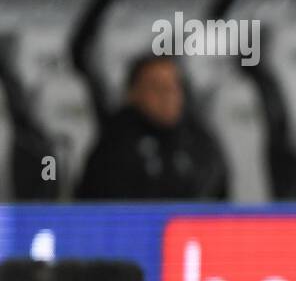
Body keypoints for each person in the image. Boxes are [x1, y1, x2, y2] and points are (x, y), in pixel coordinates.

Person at [77, 55, 228, 200]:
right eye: (156, 87)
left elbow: (218, 197)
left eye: (174, 86)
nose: (168, 94)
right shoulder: (113, 144)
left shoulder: (199, 139)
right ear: (133, 93)